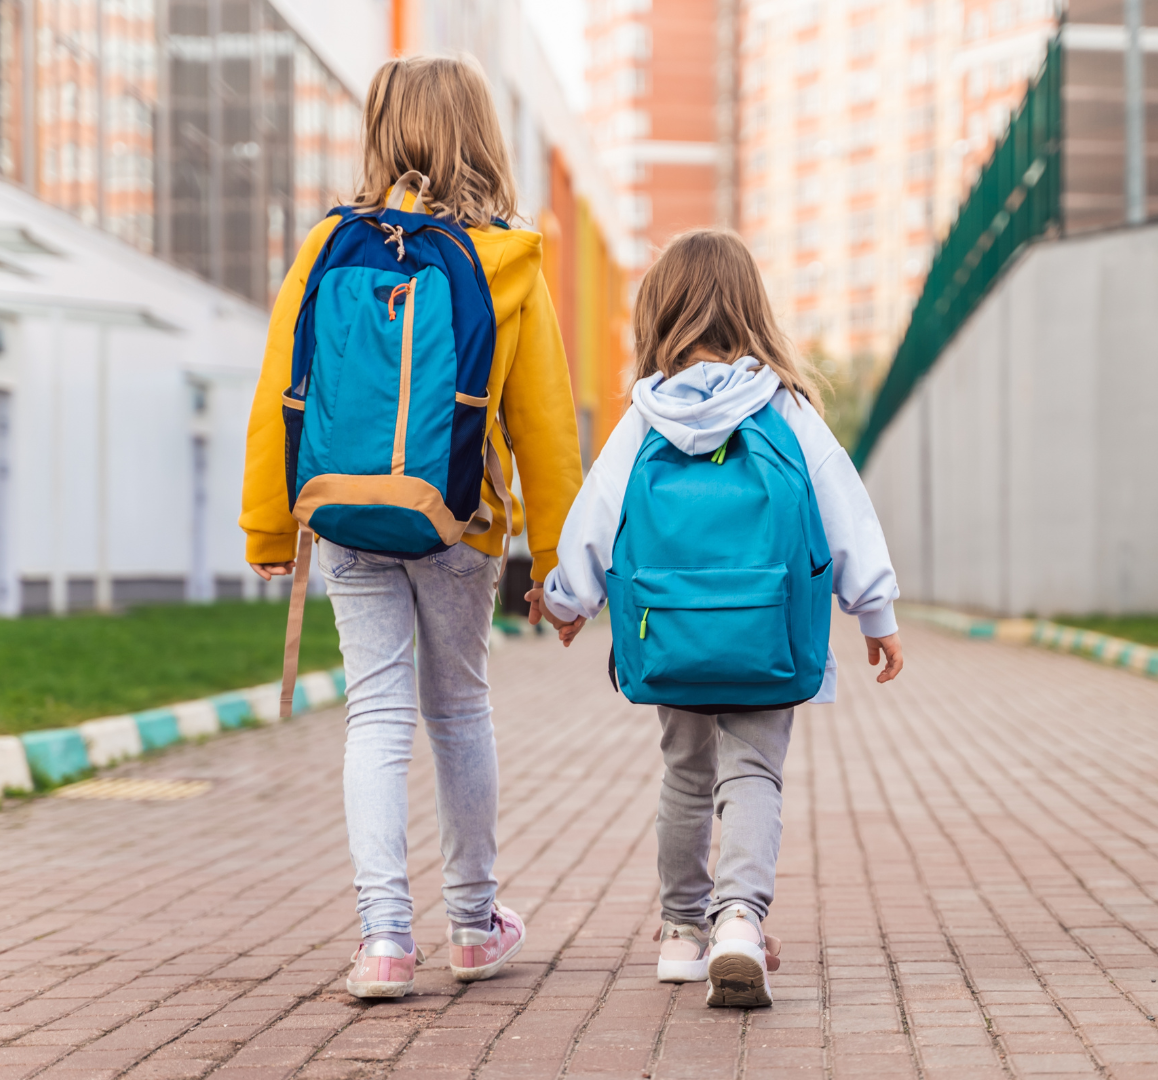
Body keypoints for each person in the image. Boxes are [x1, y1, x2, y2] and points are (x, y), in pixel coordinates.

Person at [240, 55, 582, 1001]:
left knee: (376, 715)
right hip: (458, 525)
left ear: (382, 131)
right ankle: (473, 925)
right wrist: (560, 568)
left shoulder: (327, 245)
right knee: (460, 709)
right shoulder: (508, 258)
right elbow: (545, 430)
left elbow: (280, 394)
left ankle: (385, 941)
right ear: (481, 132)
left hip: (346, 518)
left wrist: (271, 526)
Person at [531, 229, 903, 1008]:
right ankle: (739, 920)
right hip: (767, 634)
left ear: (660, 314)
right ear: (751, 311)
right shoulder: (785, 409)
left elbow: (597, 514)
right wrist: (875, 609)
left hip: (672, 635)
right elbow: (844, 510)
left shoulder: (645, 416)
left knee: (686, 775)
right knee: (752, 772)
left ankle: (679, 934)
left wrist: (569, 598)